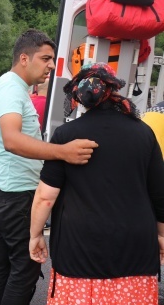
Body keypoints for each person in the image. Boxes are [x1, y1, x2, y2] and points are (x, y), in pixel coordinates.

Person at [0, 29, 98, 305]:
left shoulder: (11, 86)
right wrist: (63, 152)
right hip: (13, 195)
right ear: (24, 58)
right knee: (26, 265)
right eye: (45, 58)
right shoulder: (10, 89)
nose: (50, 65)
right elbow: (12, 140)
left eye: (52, 59)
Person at [29, 62, 164, 305]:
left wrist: (35, 234)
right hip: (136, 248)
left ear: (79, 95)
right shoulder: (144, 133)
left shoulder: (67, 135)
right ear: (115, 90)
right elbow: (160, 194)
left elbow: (45, 197)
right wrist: (162, 236)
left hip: (78, 250)